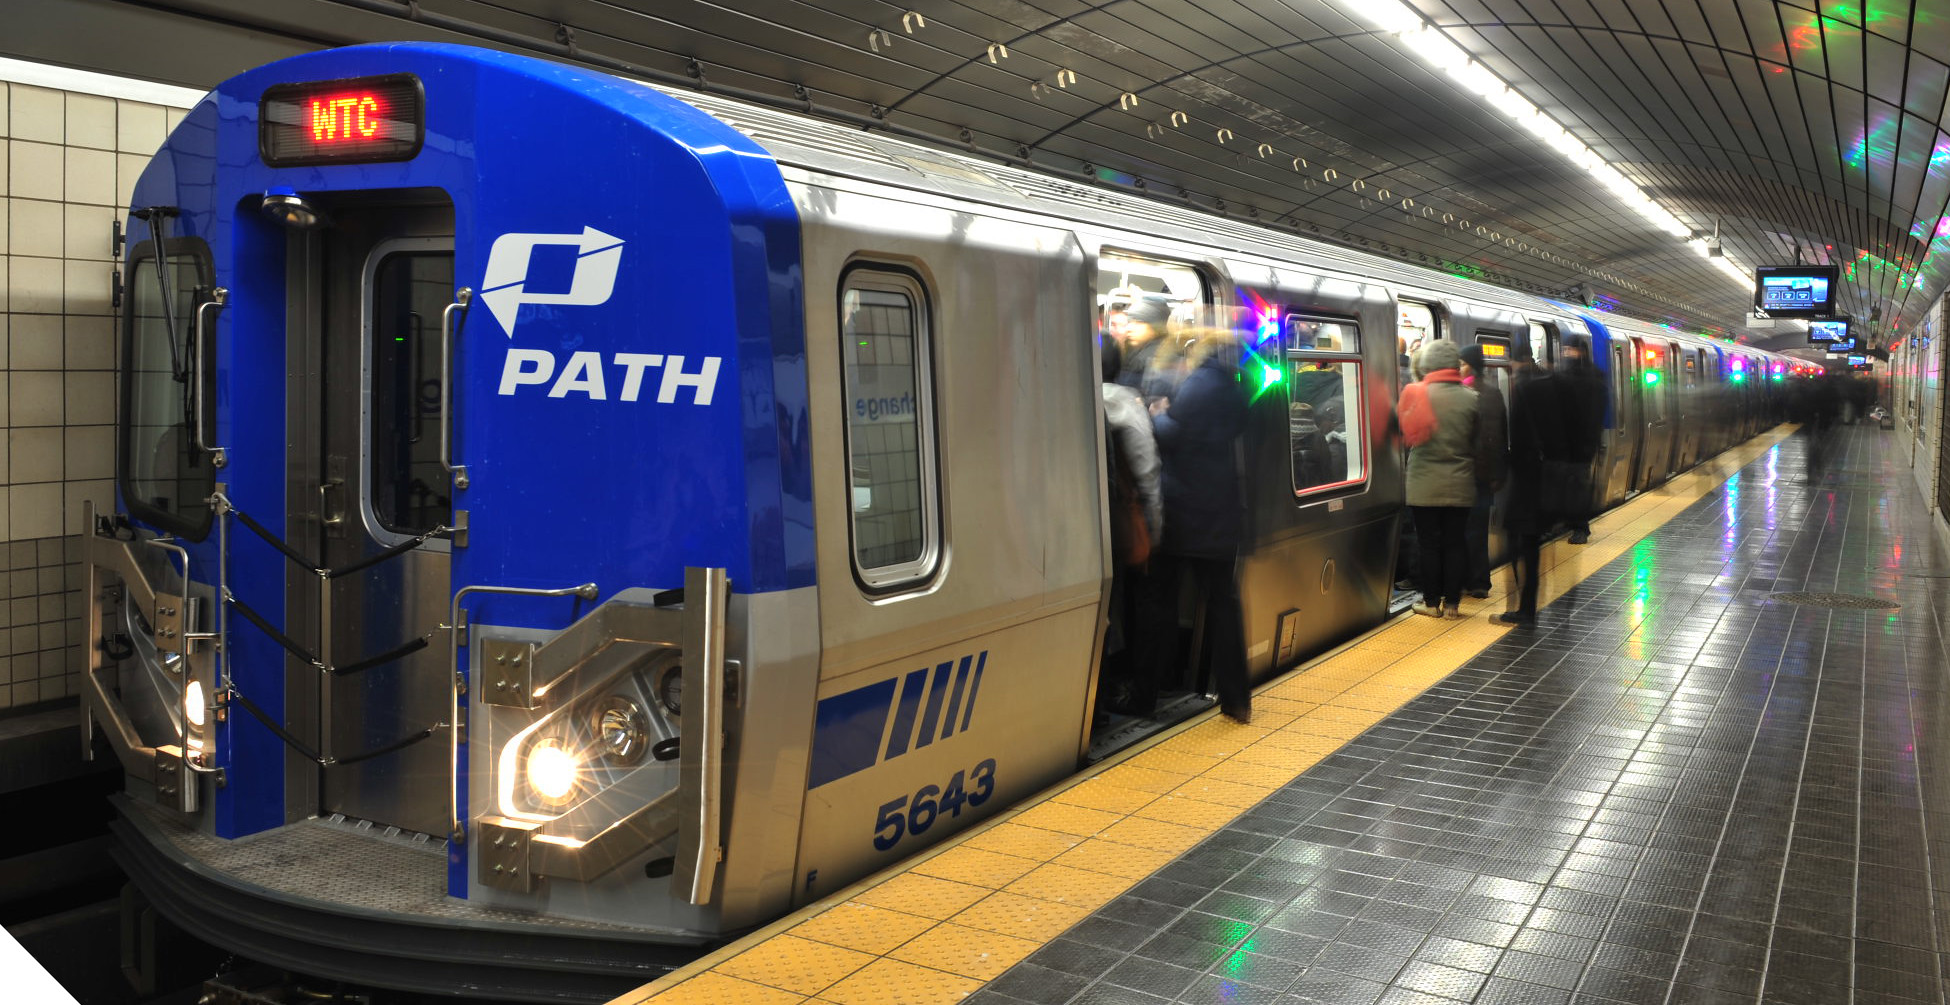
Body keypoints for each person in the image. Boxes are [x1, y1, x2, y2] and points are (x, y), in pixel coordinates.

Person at [1147, 327, 1252, 722]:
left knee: (1159, 602)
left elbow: (1177, 435)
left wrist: (1158, 416)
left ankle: (1151, 692)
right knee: (1224, 607)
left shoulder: (1201, 384)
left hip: (1184, 513)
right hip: (1219, 513)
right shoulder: (1235, 388)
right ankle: (1236, 697)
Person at [1097, 337, 1164, 715]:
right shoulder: (1127, 405)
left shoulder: (1074, 404)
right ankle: (1115, 697)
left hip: (1088, 529)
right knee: (1123, 610)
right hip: (1121, 527)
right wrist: (1154, 527)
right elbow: (1147, 471)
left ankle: (1097, 697)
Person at [1397, 340, 1477, 619]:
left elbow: (1403, 434)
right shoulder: (1471, 398)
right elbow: (1478, 443)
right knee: (1455, 543)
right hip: (1460, 482)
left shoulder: (1415, 393)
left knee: (1428, 544)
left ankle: (1431, 603)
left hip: (1424, 484)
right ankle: (1453, 604)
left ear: (1428, 363)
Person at [1492, 344, 1565, 628]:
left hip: (1526, 482)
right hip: (1544, 478)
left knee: (1520, 544)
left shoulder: (1524, 390)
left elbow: (1521, 441)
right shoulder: (1550, 387)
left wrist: (1508, 462)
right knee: (1531, 546)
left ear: (1515, 362)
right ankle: (1527, 606)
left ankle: (1524, 609)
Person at [1458, 345, 1507, 598]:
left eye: (1462, 363)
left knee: (1465, 530)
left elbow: (1491, 437)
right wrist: (1499, 472)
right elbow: (1501, 436)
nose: (1458, 367)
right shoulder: (1493, 393)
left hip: (1468, 473)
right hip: (1484, 474)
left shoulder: (1465, 394)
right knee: (1477, 530)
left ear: (1472, 367)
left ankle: (1470, 580)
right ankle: (1478, 582)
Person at [1557, 342, 1605, 543]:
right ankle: (1570, 522)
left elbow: (1594, 413)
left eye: (1570, 349)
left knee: (1577, 485)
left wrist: (1588, 441)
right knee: (1570, 485)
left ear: (1581, 351)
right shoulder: (1573, 375)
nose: (1566, 353)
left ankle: (1581, 528)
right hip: (1570, 442)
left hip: (1581, 443)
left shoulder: (1590, 378)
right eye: (1564, 349)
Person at [1112, 294, 1175, 402]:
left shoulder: (1158, 359)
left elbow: (1153, 402)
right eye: (1130, 322)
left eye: (1138, 322)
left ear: (1155, 327)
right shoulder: (1135, 352)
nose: (1129, 328)